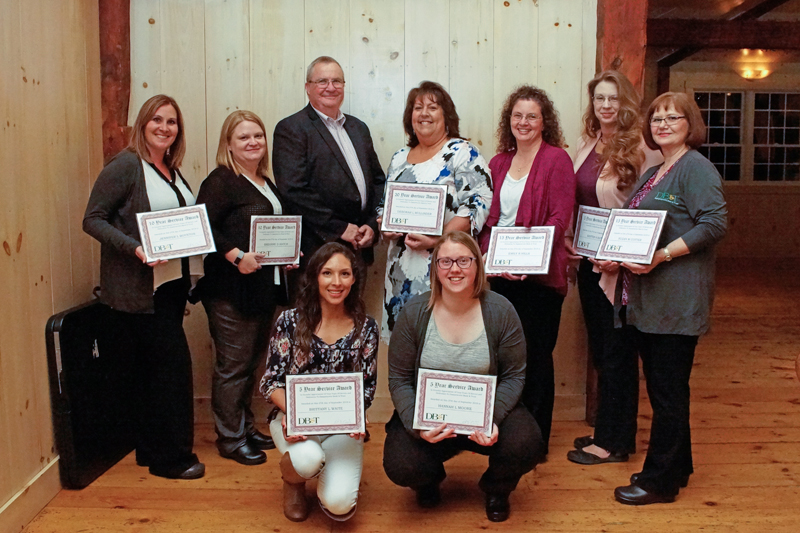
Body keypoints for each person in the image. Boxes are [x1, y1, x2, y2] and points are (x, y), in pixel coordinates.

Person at [611, 92, 727, 505]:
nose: (662, 124)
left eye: (672, 117)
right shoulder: (655, 171)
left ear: (689, 123)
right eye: (656, 118)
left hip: (676, 299)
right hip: (648, 299)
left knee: (668, 391)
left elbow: (714, 223)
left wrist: (662, 254)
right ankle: (675, 468)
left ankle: (658, 482)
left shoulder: (696, 168)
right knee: (665, 389)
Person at [83, 94, 204, 479]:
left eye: (171, 122)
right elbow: (93, 219)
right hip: (138, 289)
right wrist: (135, 248)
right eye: (157, 120)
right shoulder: (126, 165)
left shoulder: (170, 168)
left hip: (168, 286)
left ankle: (152, 451)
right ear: (142, 123)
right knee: (170, 371)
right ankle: (172, 459)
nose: (164, 127)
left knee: (155, 372)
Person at [383, 231, 543, 523]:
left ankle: (497, 489)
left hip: (484, 415)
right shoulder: (415, 312)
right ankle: (428, 482)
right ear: (435, 268)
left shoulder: (501, 311)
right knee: (401, 464)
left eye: (463, 260)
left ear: (477, 266)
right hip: (431, 417)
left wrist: (491, 417)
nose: (454, 269)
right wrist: (416, 426)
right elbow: (399, 379)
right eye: (445, 261)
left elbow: (514, 376)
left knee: (527, 442)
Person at [566, 71, 662, 465]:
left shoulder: (643, 147)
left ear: (627, 103)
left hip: (620, 269)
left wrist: (620, 255)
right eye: (599, 99)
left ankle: (615, 443)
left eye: (613, 99)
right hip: (591, 264)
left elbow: (652, 211)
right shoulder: (590, 143)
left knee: (619, 353)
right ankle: (606, 430)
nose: (606, 106)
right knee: (604, 352)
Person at [477, 85, 575, 453]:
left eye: (531, 115)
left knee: (535, 356)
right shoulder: (498, 163)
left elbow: (558, 220)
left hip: (540, 279)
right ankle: (506, 433)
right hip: (499, 277)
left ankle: (535, 441)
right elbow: (487, 223)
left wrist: (525, 262)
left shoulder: (557, 160)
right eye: (517, 115)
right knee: (503, 357)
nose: (524, 122)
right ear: (509, 121)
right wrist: (492, 259)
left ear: (544, 121)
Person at [195, 110, 294, 465]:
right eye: (243, 137)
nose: (253, 142)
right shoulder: (222, 180)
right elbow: (202, 227)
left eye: (258, 135)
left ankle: (244, 426)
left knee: (251, 363)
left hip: (263, 289)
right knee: (233, 366)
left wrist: (287, 254)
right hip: (230, 291)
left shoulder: (266, 181)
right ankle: (230, 437)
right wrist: (237, 257)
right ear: (228, 145)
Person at [259, 243, 378, 522]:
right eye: (327, 273)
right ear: (314, 277)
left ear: (355, 279)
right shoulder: (289, 321)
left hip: (342, 427)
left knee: (339, 504)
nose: (336, 282)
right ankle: (294, 482)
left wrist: (357, 415)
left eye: (345, 274)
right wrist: (294, 413)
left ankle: (330, 471)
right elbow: (270, 382)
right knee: (307, 459)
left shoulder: (366, 327)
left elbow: (368, 387)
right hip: (294, 420)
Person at [381, 81, 492, 342]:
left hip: (446, 265)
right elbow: (384, 204)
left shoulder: (462, 152)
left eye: (433, 107)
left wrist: (440, 238)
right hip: (400, 267)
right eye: (418, 108)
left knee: (442, 343)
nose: (424, 113)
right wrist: (384, 224)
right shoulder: (399, 157)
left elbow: (480, 200)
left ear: (446, 115)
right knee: (406, 347)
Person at [272, 56, 385, 274]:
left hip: (359, 246)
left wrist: (372, 225)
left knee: (352, 309)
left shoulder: (358, 128)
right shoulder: (292, 129)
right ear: (308, 87)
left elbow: (378, 182)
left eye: (337, 81)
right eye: (322, 81)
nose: (330, 88)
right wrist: (340, 228)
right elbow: (293, 190)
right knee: (316, 310)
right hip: (318, 249)